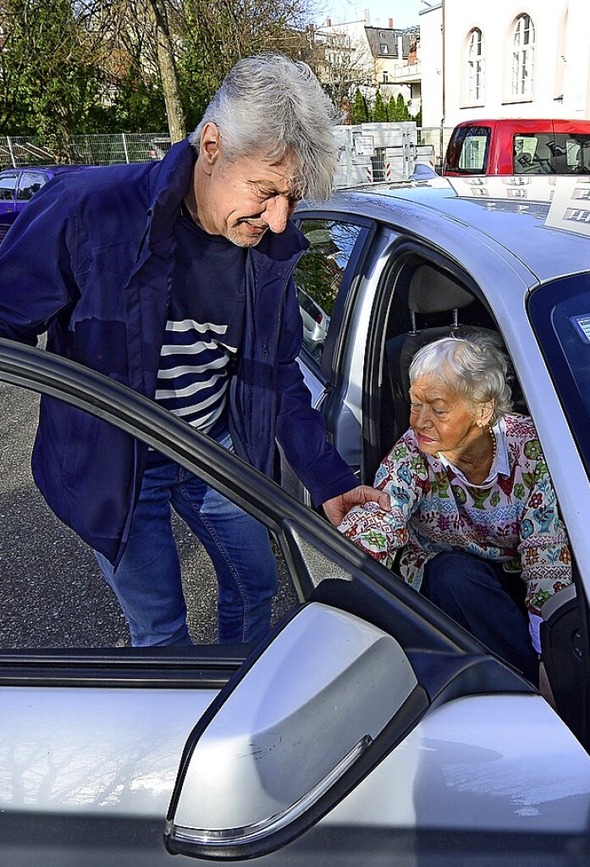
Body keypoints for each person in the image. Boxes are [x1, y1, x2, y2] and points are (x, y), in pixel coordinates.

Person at [0, 52, 387, 647]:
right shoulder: (90, 213)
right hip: (118, 466)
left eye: (293, 197)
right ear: (211, 146)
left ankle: (234, 697)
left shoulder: (269, 251)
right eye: (266, 191)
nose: (280, 220)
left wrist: (330, 479)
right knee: (161, 628)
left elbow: (275, 375)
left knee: (256, 586)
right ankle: (179, 729)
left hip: (214, 448)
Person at [338, 336, 573, 684]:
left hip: (518, 576)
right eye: (415, 404)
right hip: (449, 583)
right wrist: (343, 568)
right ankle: (519, 689)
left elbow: (546, 553)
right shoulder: (413, 454)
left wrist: (550, 660)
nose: (419, 422)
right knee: (453, 575)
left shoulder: (532, 450)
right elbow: (383, 514)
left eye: (437, 408)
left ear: (483, 410)